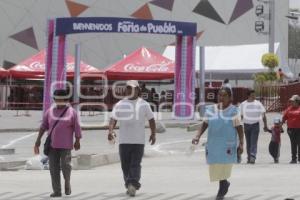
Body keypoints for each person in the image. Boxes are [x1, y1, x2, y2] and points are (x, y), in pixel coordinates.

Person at [192, 87, 244, 200]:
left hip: (227, 145)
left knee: (224, 166)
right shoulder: (210, 109)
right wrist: (197, 136)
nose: (221, 97)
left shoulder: (234, 110)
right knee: (215, 166)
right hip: (214, 144)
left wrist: (241, 143)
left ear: (230, 97)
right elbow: (205, 124)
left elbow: (239, 127)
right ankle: (224, 182)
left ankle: (222, 187)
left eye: (224, 95)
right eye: (220, 95)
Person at [108, 80, 156, 197]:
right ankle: (129, 184)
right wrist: (110, 131)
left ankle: (133, 184)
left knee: (135, 164)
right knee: (125, 165)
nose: (129, 90)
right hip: (124, 141)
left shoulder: (144, 104)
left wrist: (153, 133)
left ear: (137, 90)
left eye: (132, 88)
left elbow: (151, 119)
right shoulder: (120, 104)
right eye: (128, 88)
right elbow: (113, 119)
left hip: (138, 141)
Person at [34, 89, 82, 197]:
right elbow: (43, 126)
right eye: (57, 99)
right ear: (54, 100)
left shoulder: (72, 112)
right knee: (53, 169)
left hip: (66, 146)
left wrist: (77, 140)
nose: (59, 101)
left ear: (66, 100)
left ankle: (67, 183)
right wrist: (38, 140)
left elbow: (77, 127)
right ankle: (57, 191)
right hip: (52, 145)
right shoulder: (49, 112)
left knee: (66, 167)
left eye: (62, 99)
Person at [240, 89, 268, 164]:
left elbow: (263, 115)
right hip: (246, 125)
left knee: (253, 142)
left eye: (254, 95)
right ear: (248, 96)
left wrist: (265, 125)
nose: (254, 96)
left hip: (255, 125)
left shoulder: (258, 104)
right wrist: (238, 125)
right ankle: (249, 157)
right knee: (248, 142)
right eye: (252, 95)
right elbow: (241, 116)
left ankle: (253, 156)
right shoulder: (243, 104)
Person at [282, 94, 300, 164]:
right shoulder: (289, 109)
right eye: (291, 101)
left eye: (293, 101)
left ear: (297, 101)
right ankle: (293, 158)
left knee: (299, 143)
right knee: (293, 143)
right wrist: (281, 125)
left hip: (299, 129)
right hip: (291, 129)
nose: (291, 102)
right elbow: (284, 117)